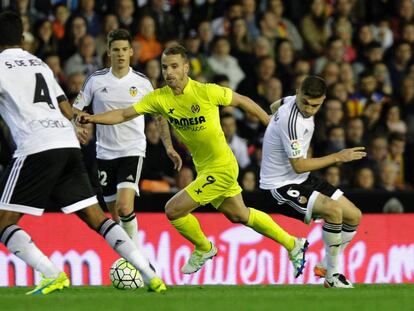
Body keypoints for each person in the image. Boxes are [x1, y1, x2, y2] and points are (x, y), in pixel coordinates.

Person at [80, 44, 309, 278]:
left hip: (222, 167)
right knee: (240, 214)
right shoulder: (160, 98)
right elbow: (122, 114)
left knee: (173, 210)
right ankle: (293, 244)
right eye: (165, 67)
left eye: (174, 66)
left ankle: (204, 247)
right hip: (205, 168)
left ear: (186, 68)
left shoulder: (206, 91)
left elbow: (241, 100)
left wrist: (267, 121)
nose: (168, 72)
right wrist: (92, 118)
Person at [0, 11, 166, 295]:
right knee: (97, 217)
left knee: (3, 223)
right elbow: (66, 107)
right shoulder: (38, 63)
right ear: (22, 38)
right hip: (67, 143)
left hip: (36, 145)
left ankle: (51, 274)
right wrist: (81, 123)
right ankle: (150, 274)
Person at [261, 76, 365, 288]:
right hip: (279, 185)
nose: (308, 109)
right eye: (305, 102)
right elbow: (299, 164)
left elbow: (274, 105)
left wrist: (271, 127)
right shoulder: (292, 123)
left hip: (301, 178)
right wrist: (338, 157)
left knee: (354, 215)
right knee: (334, 211)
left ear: (324, 100)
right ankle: (333, 276)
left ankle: (326, 264)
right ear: (299, 92)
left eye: (315, 105)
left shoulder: (290, 100)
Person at [73, 29, 167, 250]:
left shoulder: (142, 82)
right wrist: (75, 127)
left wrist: (169, 146)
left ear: (131, 52)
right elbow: (76, 109)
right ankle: (135, 261)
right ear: (109, 52)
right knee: (117, 219)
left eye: (125, 49)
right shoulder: (95, 81)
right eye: (116, 50)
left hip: (132, 150)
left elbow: (159, 116)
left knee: (125, 208)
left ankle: (138, 259)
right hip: (104, 153)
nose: (121, 54)